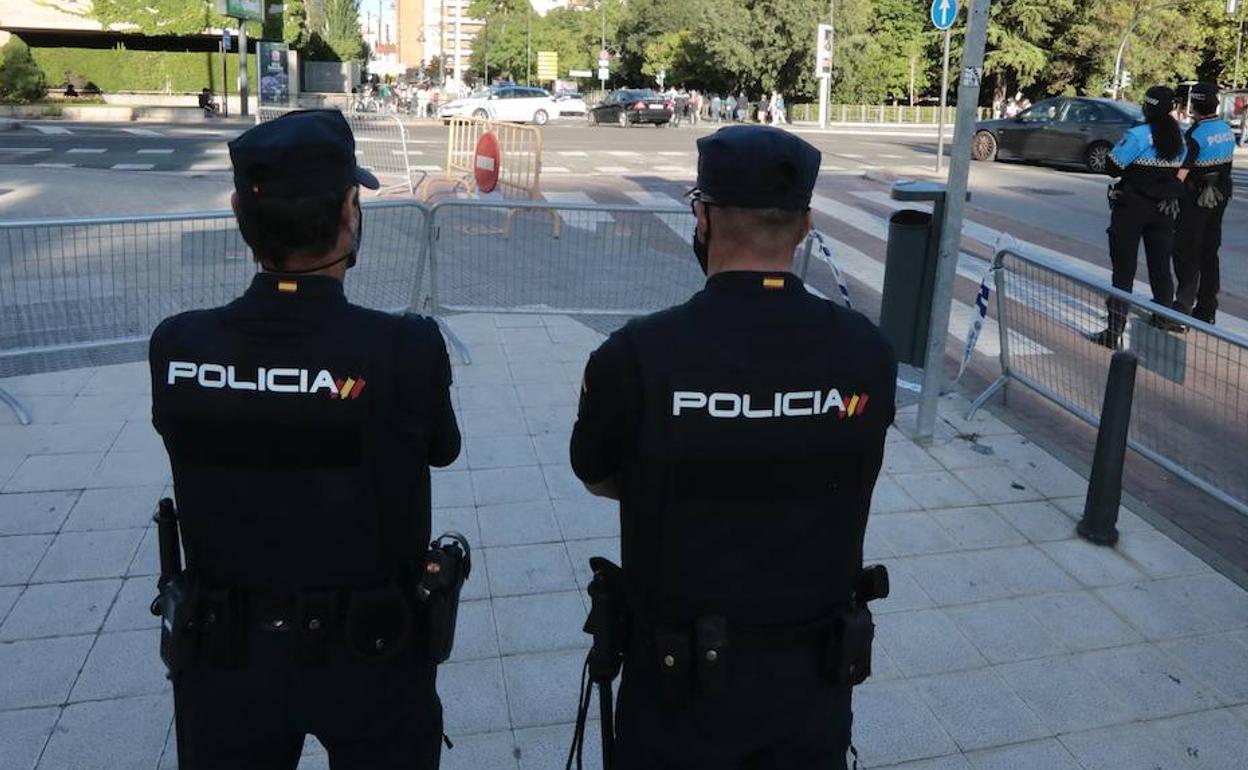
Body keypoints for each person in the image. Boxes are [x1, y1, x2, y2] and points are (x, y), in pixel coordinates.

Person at [569, 125, 897, 769]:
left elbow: (600, 476)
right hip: (812, 684)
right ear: (804, 225)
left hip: (677, 684)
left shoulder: (635, 356)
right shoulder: (867, 352)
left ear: (702, 218)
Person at [148, 110, 462, 769]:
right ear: (351, 213)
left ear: (241, 216)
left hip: (226, 656)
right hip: (373, 653)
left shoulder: (179, 345)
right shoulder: (404, 348)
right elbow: (442, 447)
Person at [1088, 85, 1187, 349]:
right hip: (1164, 211)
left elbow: (1112, 167)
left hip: (1131, 209)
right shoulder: (1180, 138)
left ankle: (1114, 331)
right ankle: (1163, 317)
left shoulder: (1139, 135)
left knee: (1123, 271)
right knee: (1160, 267)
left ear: (1147, 106)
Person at [1173, 82, 1235, 325]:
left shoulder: (1196, 134)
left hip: (1196, 200)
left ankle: (1182, 308)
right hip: (1219, 198)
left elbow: (1182, 172)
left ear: (1194, 105)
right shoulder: (1226, 129)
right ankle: (1207, 309)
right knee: (1210, 253)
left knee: (1186, 252)